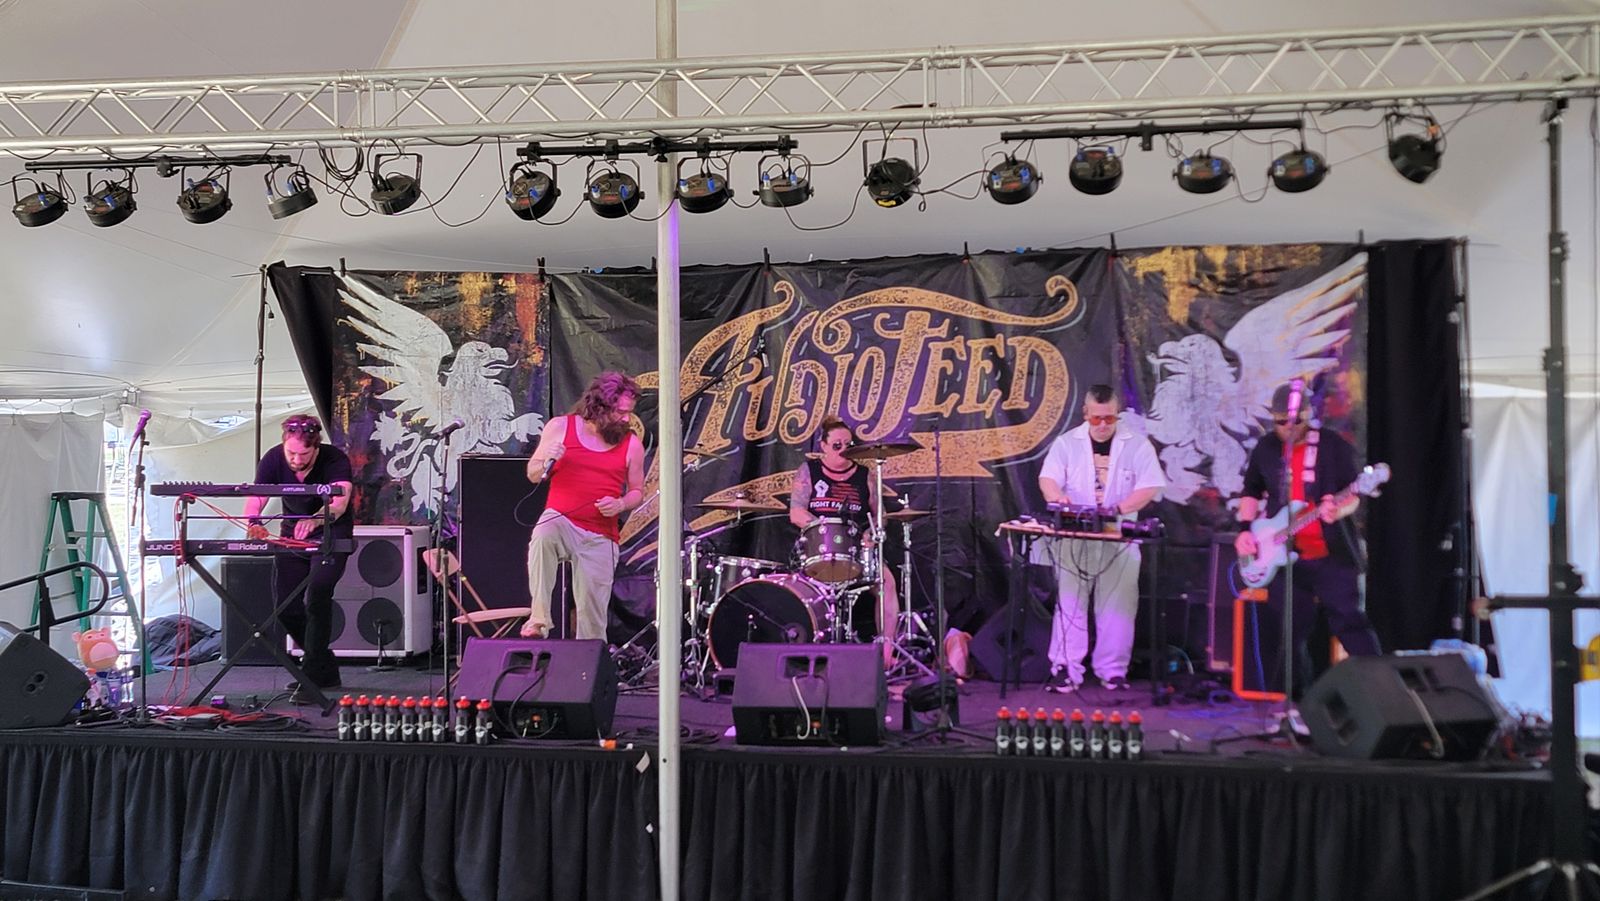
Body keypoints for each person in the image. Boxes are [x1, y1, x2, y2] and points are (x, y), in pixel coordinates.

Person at [1234, 382, 1381, 695]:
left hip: (1331, 555)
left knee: (1349, 622)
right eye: (1281, 422)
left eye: (1296, 421)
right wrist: (1245, 530)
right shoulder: (1266, 448)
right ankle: (1297, 700)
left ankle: (1380, 691)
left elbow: (1353, 496)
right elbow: (1251, 491)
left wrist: (1336, 511)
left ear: (1309, 414)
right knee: (1289, 631)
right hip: (1286, 557)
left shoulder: (1333, 446)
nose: (1288, 428)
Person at [1037, 384, 1165, 692]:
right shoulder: (1067, 443)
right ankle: (1065, 667)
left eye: (1110, 418)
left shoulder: (1137, 445)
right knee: (1070, 601)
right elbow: (1048, 478)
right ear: (1086, 414)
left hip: (1119, 536)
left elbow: (1150, 486)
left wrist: (1118, 509)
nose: (1104, 425)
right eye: (1097, 419)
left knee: (1118, 605)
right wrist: (1058, 499)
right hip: (1076, 536)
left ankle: (1113, 670)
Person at [522, 372, 647, 641]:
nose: (626, 419)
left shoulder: (631, 444)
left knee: (592, 619)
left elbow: (638, 491)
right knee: (543, 533)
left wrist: (621, 503)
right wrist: (548, 460)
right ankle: (539, 619)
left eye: (629, 412)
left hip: (600, 534)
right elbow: (533, 474)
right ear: (600, 407)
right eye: (620, 412)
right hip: (562, 519)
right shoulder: (560, 427)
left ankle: (589, 661)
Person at [244, 414, 355, 694]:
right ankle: (322, 665)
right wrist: (253, 522)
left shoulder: (334, 459)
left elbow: (340, 502)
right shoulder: (273, 457)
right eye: (290, 453)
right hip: (292, 533)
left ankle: (312, 675)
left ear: (315, 447)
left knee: (317, 596)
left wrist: (316, 519)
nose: (295, 460)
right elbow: (257, 494)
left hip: (331, 532)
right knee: (285, 606)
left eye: (303, 455)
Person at [789, 415, 900, 668]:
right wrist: (824, 527)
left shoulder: (864, 475)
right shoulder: (809, 471)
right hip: (817, 547)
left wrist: (871, 534)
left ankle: (886, 651)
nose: (843, 450)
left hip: (856, 548)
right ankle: (808, 653)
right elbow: (796, 513)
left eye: (848, 445)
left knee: (887, 583)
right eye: (836, 445)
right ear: (823, 446)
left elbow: (880, 515)